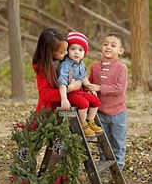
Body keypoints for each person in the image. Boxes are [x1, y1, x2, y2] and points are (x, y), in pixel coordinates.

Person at [88, 31, 128, 171]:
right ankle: (104, 167)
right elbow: (90, 84)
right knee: (102, 141)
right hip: (99, 112)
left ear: (120, 51)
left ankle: (118, 168)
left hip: (117, 113)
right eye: (105, 44)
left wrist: (100, 87)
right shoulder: (95, 67)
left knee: (117, 141)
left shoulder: (121, 68)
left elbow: (120, 88)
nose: (108, 47)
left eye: (113, 45)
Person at [57, 30, 102, 138]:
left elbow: (83, 78)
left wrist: (90, 87)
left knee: (95, 100)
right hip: (71, 93)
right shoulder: (66, 65)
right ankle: (83, 123)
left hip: (80, 91)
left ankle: (90, 120)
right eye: (73, 49)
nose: (76, 52)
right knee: (84, 103)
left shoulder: (81, 63)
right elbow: (62, 82)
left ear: (84, 53)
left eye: (80, 50)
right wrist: (64, 98)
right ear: (67, 50)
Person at [32, 27, 81, 112]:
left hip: (69, 103)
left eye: (67, 49)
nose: (66, 53)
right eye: (62, 52)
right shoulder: (42, 69)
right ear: (49, 52)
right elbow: (45, 93)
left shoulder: (67, 61)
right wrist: (69, 89)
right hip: (50, 110)